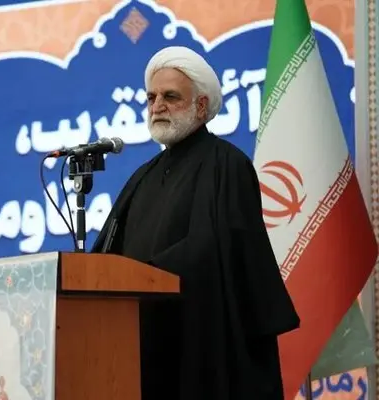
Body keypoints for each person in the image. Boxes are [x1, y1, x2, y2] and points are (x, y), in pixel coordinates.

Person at [91, 46, 300, 399]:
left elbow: (219, 252)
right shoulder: (142, 177)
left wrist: (146, 274)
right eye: (152, 98)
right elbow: (110, 254)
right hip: (143, 341)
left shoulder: (227, 165)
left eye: (170, 96)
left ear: (201, 106)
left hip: (206, 344)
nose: (157, 106)